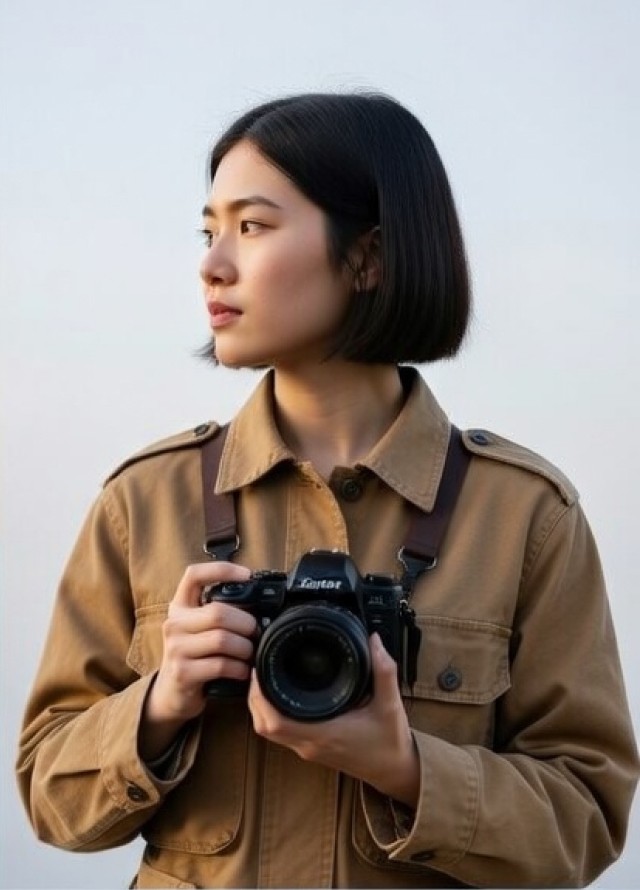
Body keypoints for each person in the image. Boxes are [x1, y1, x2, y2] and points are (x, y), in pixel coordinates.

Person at [16, 92, 639, 889]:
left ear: (368, 256)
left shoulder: (525, 518)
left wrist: (409, 770)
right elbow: (47, 794)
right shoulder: (143, 502)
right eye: (208, 230)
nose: (212, 262)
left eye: (253, 226)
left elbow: (587, 817)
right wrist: (161, 702)